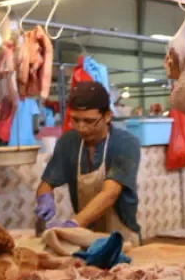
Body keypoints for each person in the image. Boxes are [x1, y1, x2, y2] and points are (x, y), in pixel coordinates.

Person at [35, 81, 143, 245]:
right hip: (85, 237)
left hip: (121, 238)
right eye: (75, 120)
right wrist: (44, 197)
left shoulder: (126, 143)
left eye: (89, 121)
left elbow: (109, 194)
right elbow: (47, 183)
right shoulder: (69, 141)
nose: (81, 127)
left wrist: (73, 224)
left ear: (107, 115)